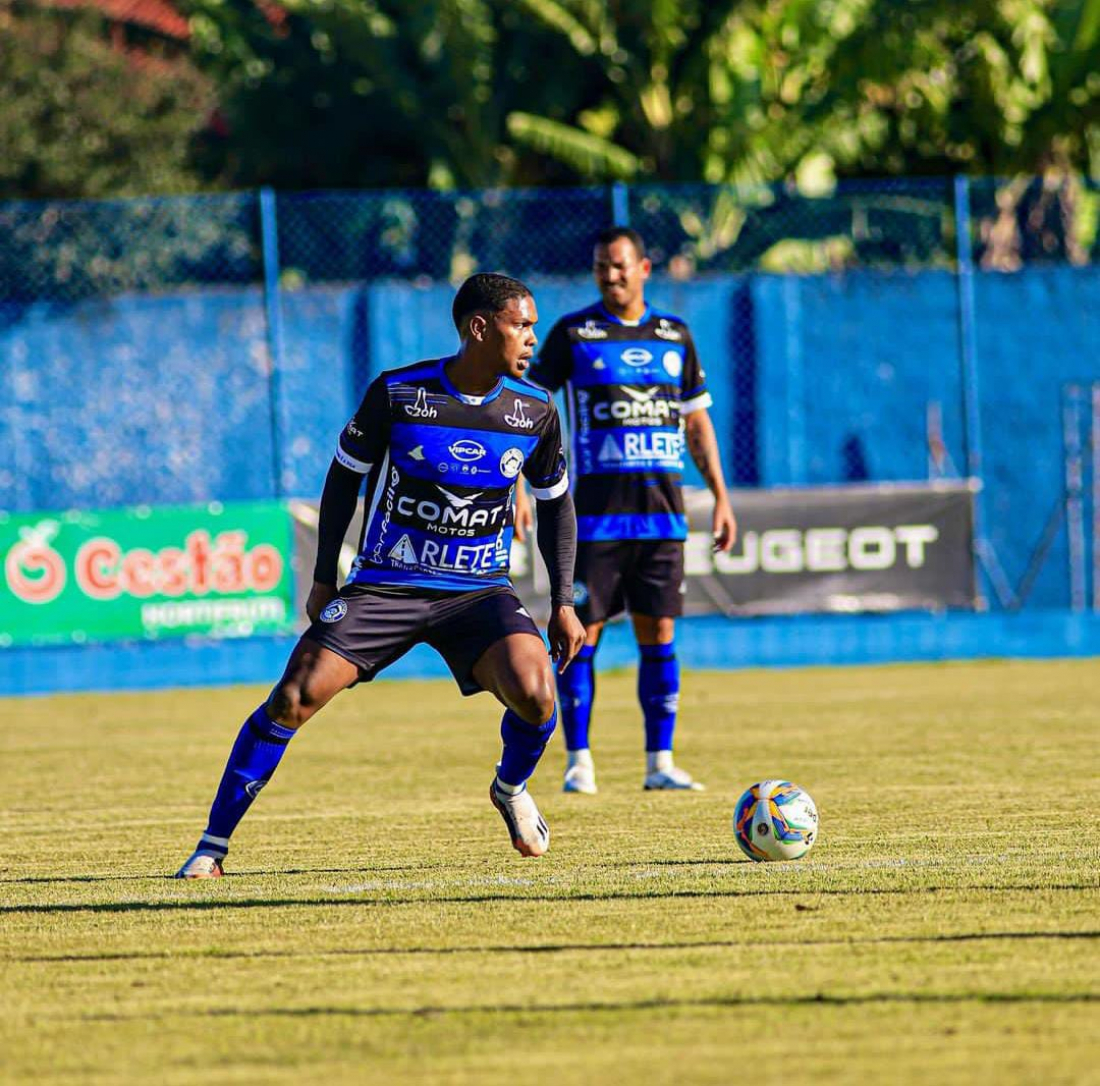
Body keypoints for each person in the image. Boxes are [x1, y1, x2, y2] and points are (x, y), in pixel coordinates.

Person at [175, 273, 585, 878]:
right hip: (385, 583)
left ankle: (510, 788)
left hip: (477, 593)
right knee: (293, 697)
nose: (531, 338)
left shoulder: (535, 410)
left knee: (537, 692)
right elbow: (344, 477)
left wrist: (563, 601)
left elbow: (555, 503)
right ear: (479, 327)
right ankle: (211, 847)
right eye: (520, 325)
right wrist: (323, 578)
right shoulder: (399, 392)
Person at [516, 227, 736, 795]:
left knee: (658, 632)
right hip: (594, 519)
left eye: (618, 265)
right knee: (580, 636)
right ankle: (579, 761)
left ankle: (660, 762)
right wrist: (517, 482)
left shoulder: (675, 336)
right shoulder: (574, 333)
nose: (609, 275)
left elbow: (696, 423)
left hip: (663, 518)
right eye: (599, 267)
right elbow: (529, 404)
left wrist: (721, 496)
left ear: (644, 267)